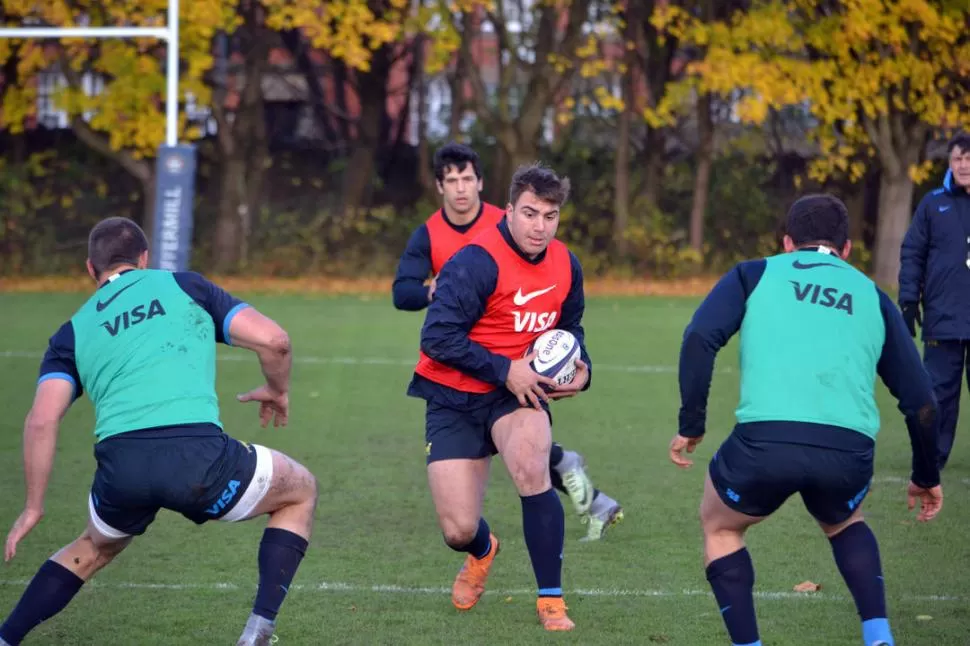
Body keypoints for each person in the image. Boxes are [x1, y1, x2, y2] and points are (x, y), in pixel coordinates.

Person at [0, 217, 317, 646]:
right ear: (144, 260)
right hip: (198, 461)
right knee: (300, 490)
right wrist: (277, 390)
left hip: (122, 471)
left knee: (93, 549)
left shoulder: (70, 333)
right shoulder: (184, 287)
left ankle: (6, 638)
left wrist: (34, 506)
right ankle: (257, 633)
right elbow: (275, 340)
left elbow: (41, 419)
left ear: (90, 270)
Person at [669, 195, 943, 646]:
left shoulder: (755, 273)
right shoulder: (873, 295)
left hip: (763, 446)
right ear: (847, 249)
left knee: (720, 526)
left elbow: (699, 336)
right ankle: (878, 637)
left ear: (787, 243)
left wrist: (692, 423)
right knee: (845, 522)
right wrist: (926, 474)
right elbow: (922, 401)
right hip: (847, 453)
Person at [394, 142, 623, 541]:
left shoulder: (517, 223)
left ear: (482, 183)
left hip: (514, 374)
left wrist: (579, 362)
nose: (461, 188)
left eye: (468, 179)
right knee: (466, 519)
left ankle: (585, 494)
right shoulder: (429, 234)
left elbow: (562, 311)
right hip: (462, 371)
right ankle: (566, 466)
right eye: (452, 181)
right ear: (439, 187)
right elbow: (402, 293)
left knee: (526, 454)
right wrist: (447, 294)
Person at [407, 163, 591, 630]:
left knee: (533, 468)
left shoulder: (566, 264)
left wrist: (583, 369)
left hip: (518, 395)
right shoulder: (475, 261)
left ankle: (551, 601)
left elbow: (570, 329)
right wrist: (505, 368)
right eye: (529, 213)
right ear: (508, 210)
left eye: (550, 217)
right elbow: (438, 336)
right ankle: (484, 549)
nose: (539, 226)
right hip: (453, 395)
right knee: (458, 530)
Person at [899, 132, 970, 470]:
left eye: (969, 159)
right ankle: (932, 460)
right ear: (950, 162)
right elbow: (913, 252)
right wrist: (909, 300)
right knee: (938, 395)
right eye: (958, 159)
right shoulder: (932, 204)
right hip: (943, 316)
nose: (964, 165)